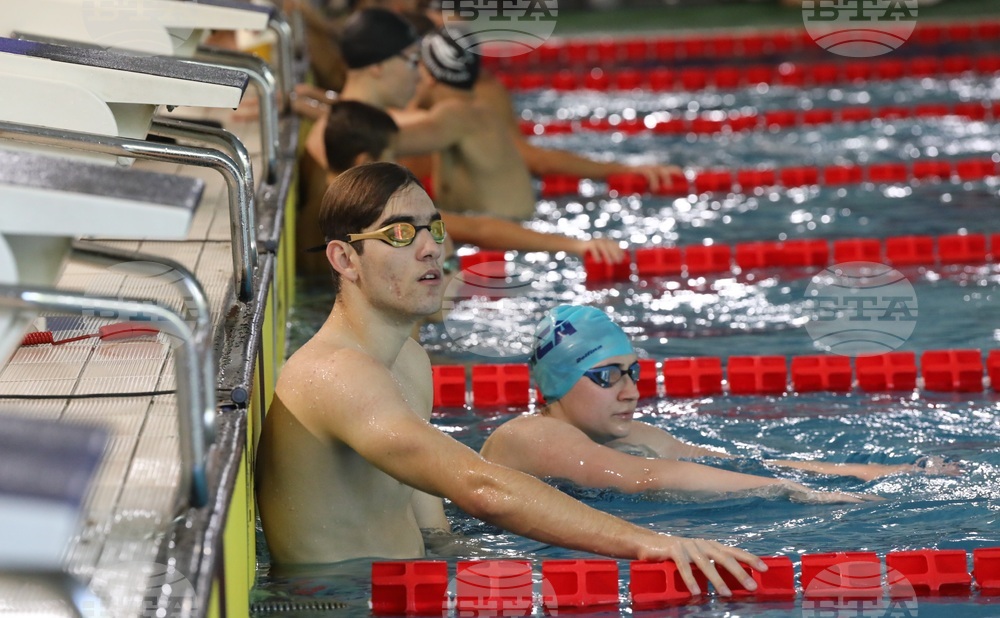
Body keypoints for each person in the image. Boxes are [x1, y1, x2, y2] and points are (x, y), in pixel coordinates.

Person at [255, 162, 767, 596]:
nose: (432, 248)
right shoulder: (335, 374)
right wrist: (650, 543)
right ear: (345, 259)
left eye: (433, 228)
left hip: (407, 593)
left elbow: (431, 526)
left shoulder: (409, 360)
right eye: (399, 234)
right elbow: (480, 487)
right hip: (338, 604)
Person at [480, 305, 959, 497]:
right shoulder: (530, 435)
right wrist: (793, 495)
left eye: (634, 371)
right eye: (606, 376)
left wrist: (891, 477)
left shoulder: (630, 436)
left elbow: (751, 464)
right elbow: (644, 479)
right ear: (557, 384)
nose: (631, 390)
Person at [297, 98, 624, 274]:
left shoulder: (325, 186)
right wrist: (575, 247)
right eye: (391, 154)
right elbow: (479, 229)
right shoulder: (374, 206)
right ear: (365, 157)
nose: (397, 161)